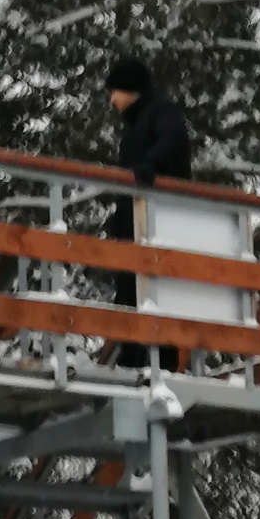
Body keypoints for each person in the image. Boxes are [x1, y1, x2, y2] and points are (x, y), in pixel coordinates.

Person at [105, 55, 192, 368]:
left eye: (116, 90)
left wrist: (150, 165)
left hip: (160, 222)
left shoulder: (160, 112)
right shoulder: (133, 128)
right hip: (136, 226)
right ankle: (134, 361)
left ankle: (158, 363)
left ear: (131, 89)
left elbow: (173, 142)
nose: (112, 99)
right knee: (130, 294)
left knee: (155, 293)